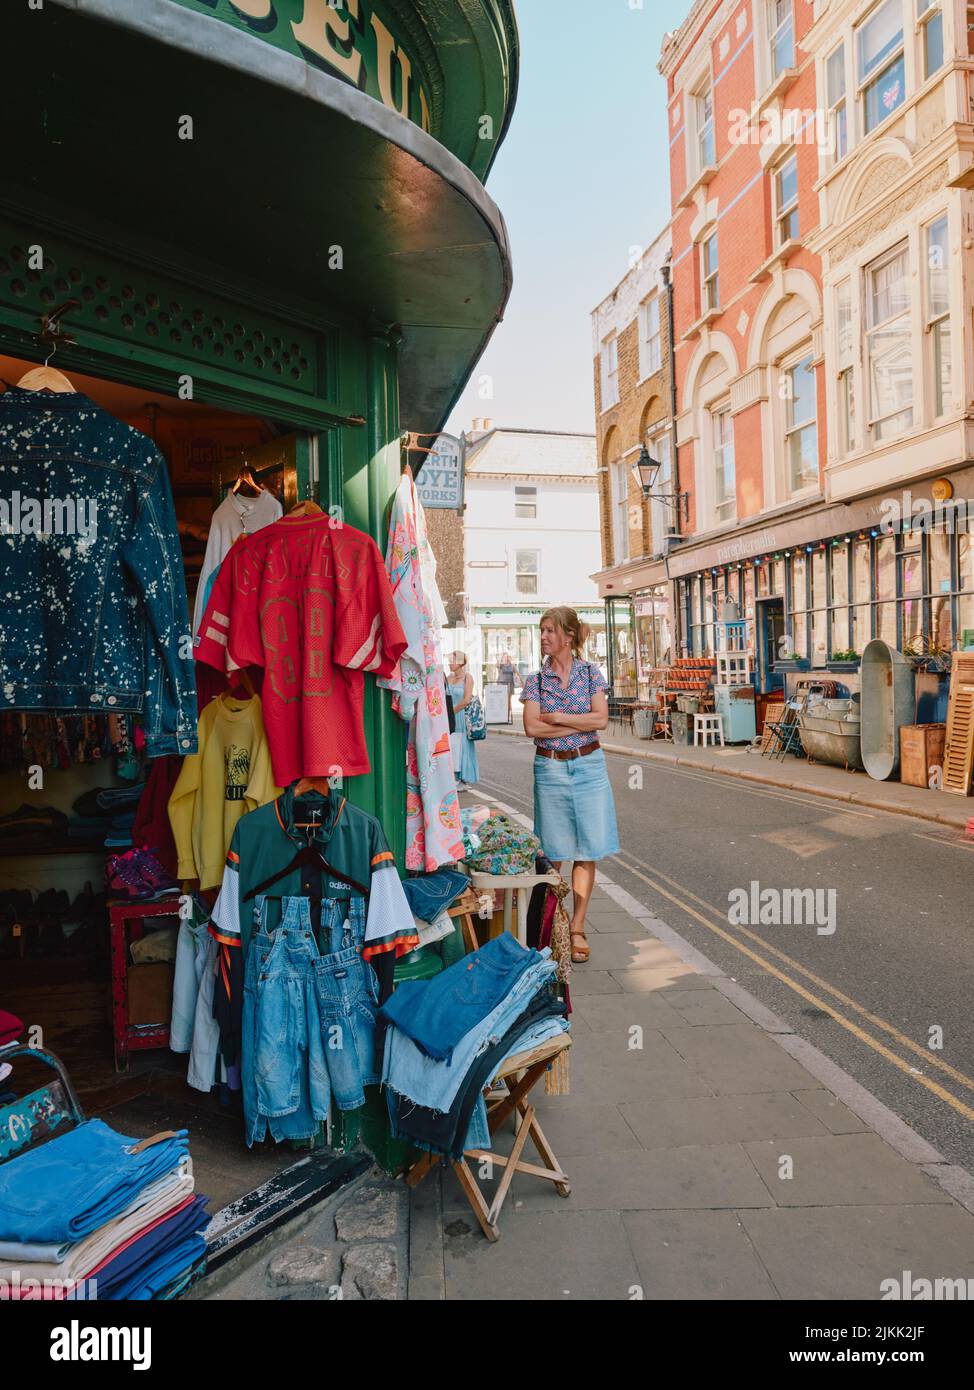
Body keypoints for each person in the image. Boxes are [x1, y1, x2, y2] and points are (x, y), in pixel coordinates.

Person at [519, 607, 619, 963]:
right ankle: (550, 926)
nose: (544, 636)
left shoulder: (592, 673)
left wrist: (559, 717)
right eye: (542, 630)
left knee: (588, 848)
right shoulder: (535, 681)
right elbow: (532, 728)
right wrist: (581, 723)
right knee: (553, 852)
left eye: (550, 630)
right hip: (550, 768)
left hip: (589, 766)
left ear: (569, 636)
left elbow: (602, 720)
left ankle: (577, 926)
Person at [446, 650, 479, 787]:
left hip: (460, 715)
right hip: (449, 717)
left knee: (462, 745)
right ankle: (452, 775)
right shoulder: (448, 678)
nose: (449, 664)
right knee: (451, 745)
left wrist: (451, 711)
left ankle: (463, 778)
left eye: (452, 661)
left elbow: (466, 700)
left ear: (460, 662)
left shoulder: (468, 678)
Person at [496, 650, 520, 723]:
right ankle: (502, 716)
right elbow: (497, 665)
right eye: (504, 657)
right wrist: (500, 658)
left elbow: (517, 673)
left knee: (508, 701)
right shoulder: (501, 665)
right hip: (501, 685)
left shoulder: (512, 666)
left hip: (510, 685)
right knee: (501, 701)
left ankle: (507, 716)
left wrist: (522, 683)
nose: (505, 658)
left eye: (506, 657)